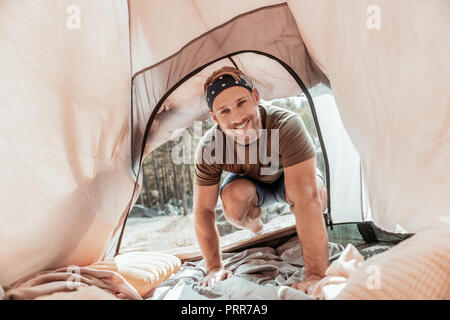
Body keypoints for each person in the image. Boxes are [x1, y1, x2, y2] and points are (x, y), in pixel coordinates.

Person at [193, 66, 329, 295]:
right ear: (214, 117)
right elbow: (203, 210)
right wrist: (214, 267)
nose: (237, 118)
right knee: (234, 204)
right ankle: (256, 221)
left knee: (314, 194)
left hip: (290, 176)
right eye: (224, 111)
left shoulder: (286, 124)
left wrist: (315, 275)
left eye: (241, 103)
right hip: (252, 185)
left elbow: (307, 198)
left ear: (255, 97)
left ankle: (289, 216)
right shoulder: (210, 147)